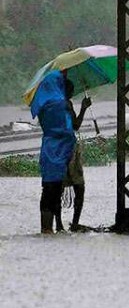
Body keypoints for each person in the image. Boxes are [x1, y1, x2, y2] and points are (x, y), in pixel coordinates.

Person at [30, 70, 76, 234]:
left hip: (48, 150)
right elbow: (68, 128)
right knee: (55, 190)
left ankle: (46, 228)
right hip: (61, 151)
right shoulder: (61, 104)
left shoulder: (43, 105)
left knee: (48, 190)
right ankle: (50, 229)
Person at [62, 79, 92, 230]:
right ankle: (74, 223)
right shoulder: (66, 104)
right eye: (71, 91)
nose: (72, 94)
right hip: (69, 150)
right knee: (79, 187)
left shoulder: (53, 105)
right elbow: (75, 125)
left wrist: (83, 108)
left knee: (56, 188)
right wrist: (83, 108)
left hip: (56, 150)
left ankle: (59, 224)